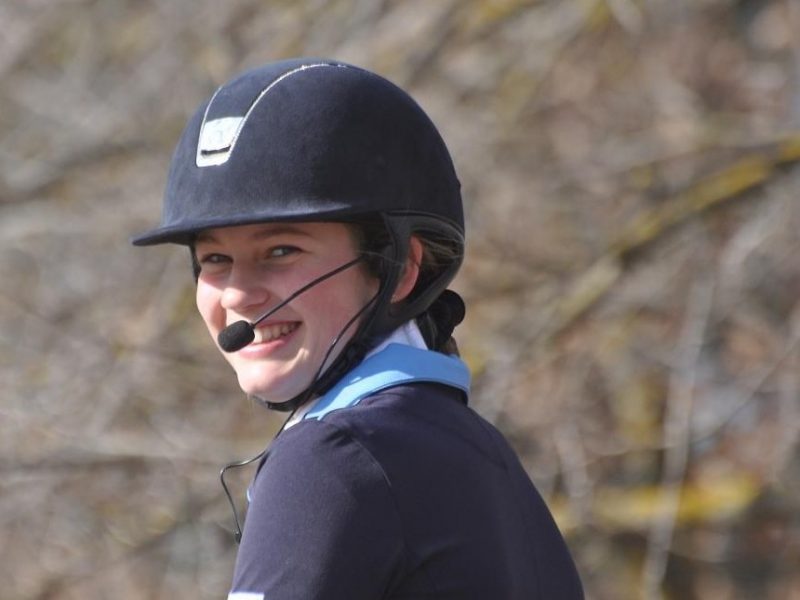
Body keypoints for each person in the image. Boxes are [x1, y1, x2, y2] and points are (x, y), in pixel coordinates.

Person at [133, 58, 583, 600]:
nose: (237, 295)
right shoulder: (485, 455)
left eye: (281, 251)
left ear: (401, 269)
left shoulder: (331, 460)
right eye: (215, 260)